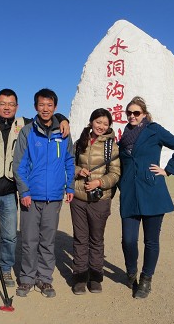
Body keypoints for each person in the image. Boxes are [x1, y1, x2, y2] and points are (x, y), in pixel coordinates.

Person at [0, 88, 70, 291]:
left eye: (11, 104)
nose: (7, 107)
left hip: (9, 191)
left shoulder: (24, 124)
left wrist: (63, 119)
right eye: (2, 103)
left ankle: (6, 269)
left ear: (17, 107)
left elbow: (48, 116)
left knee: (10, 236)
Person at [118, 96, 174, 299]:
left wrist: (168, 170)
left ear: (144, 114)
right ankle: (131, 271)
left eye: (136, 113)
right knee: (128, 240)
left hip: (152, 191)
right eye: (129, 113)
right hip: (130, 193)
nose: (132, 116)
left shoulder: (154, 130)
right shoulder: (124, 135)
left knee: (151, 241)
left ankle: (146, 280)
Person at [13, 88, 75, 298]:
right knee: (29, 240)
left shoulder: (64, 132)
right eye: (41, 105)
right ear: (35, 107)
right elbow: (19, 165)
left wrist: (70, 186)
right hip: (32, 195)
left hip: (54, 197)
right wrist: (25, 190)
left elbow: (69, 161)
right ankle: (27, 279)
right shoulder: (27, 131)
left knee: (48, 241)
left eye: (49, 105)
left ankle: (45, 279)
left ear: (55, 107)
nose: (45, 109)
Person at [70, 108, 120, 295]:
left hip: (100, 198)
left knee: (96, 240)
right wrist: (77, 171)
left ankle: (96, 277)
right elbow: (70, 163)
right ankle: (80, 277)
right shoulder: (79, 142)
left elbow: (115, 173)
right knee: (80, 239)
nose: (101, 126)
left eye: (105, 124)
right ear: (91, 122)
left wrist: (100, 182)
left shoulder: (111, 146)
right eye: (98, 122)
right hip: (79, 197)